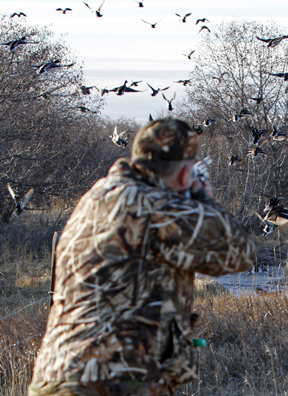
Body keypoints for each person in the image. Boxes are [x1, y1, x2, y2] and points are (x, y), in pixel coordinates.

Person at [28, 118, 256, 396]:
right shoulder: (153, 206)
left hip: (54, 376)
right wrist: (202, 198)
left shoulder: (96, 196)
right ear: (185, 175)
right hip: (113, 381)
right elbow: (239, 252)